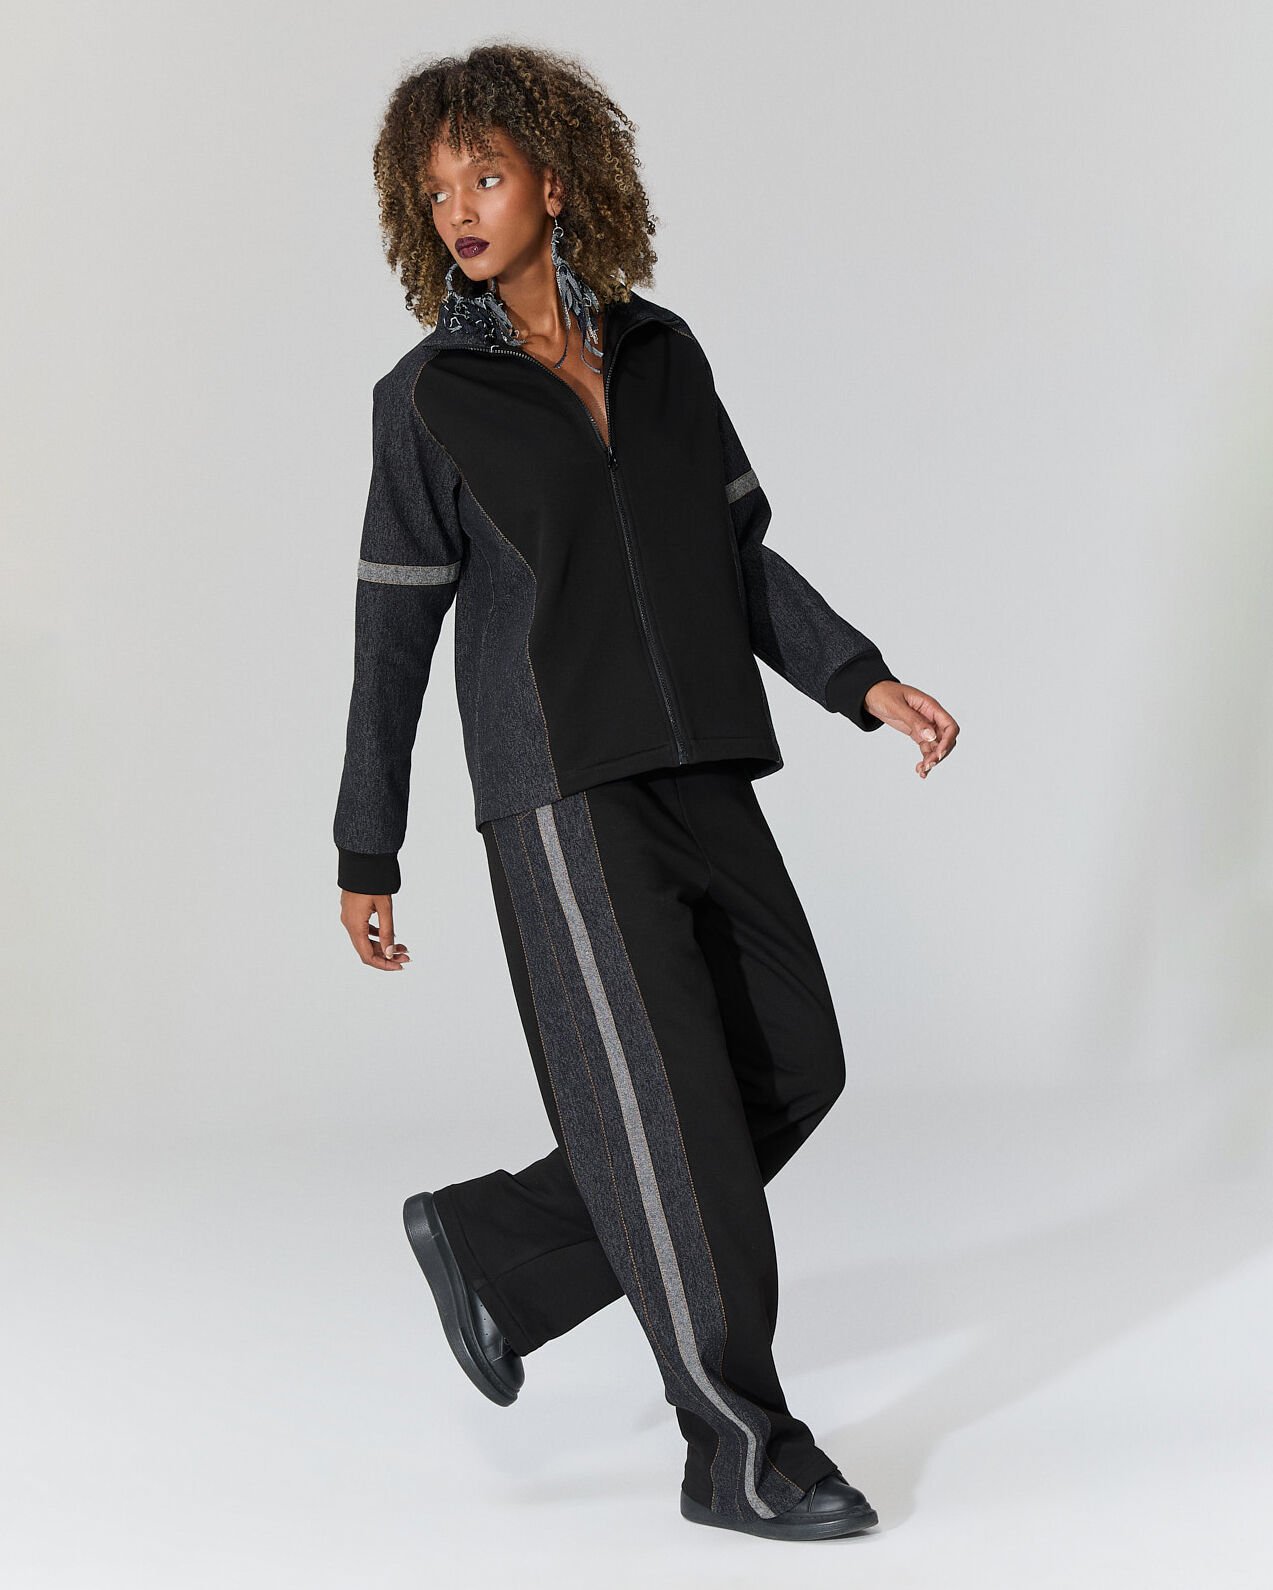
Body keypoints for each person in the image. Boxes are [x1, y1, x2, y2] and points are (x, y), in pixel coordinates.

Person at [333, 42, 959, 1543]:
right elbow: (390, 633)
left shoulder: (665, 354)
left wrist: (858, 678)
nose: (458, 210)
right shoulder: (429, 400)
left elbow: (735, 556)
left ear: (554, 184)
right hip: (558, 791)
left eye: (485, 176)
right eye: (436, 188)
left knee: (789, 1059)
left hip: (704, 762)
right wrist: (369, 843)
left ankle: (501, 1247)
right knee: (662, 1118)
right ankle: (736, 1446)